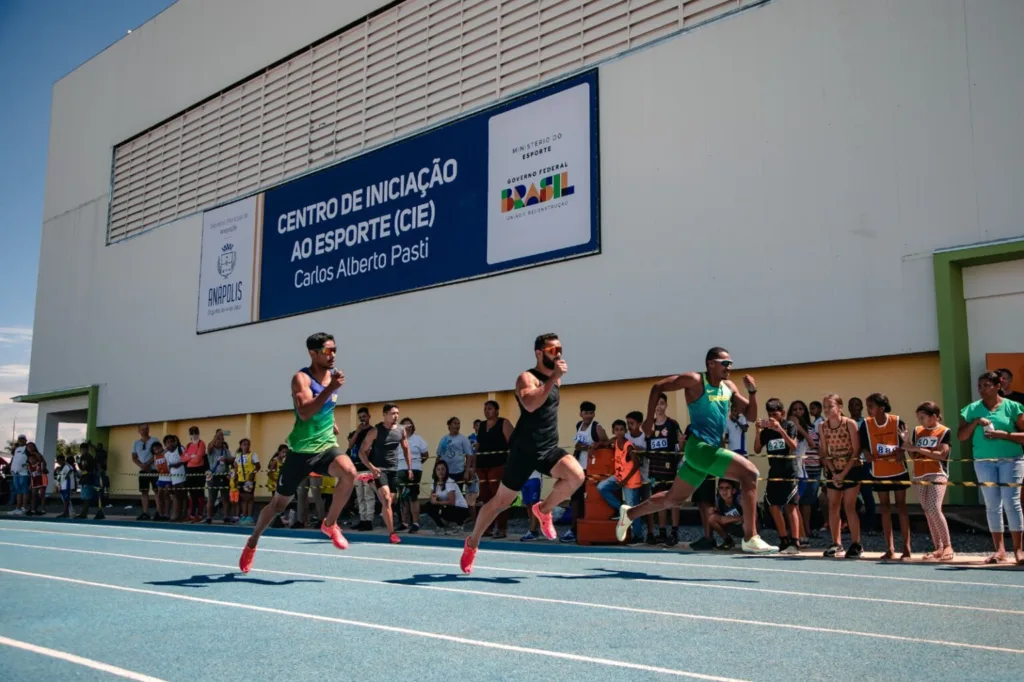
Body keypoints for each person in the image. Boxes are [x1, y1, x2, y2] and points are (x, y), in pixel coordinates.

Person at [616, 347, 778, 554]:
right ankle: (750, 536)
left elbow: (752, 415)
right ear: (711, 364)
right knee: (750, 473)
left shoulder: (728, 386)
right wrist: (648, 420)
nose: (730, 367)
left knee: (673, 499)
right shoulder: (694, 381)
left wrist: (752, 392)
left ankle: (628, 515)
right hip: (699, 447)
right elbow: (658, 387)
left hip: (707, 452)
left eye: (731, 363)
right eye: (725, 363)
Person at [460, 333, 585, 573]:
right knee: (500, 502)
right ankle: (472, 542)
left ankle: (544, 510)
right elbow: (530, 404)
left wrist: (554, 378)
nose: (558, 353)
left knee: (576, 476)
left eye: (560, 348)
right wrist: (553, 379)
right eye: (551, 350)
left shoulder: (555, 379)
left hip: (548, 447)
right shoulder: (526, 378)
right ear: (539, 353)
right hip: (523, 450)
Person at [239, 332, 358, 573]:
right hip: (299, 453)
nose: (333, 354)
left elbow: (327, 406)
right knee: (278, 505)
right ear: (313, 354)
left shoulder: (333, 376)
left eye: (335, 349)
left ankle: (330, 524)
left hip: (324, 446)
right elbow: (304, 412)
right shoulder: (300, 379)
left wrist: (332, 420)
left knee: (349, 473)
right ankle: (252, 543)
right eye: (327, 350)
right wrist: (330, 389)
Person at [958, 370, 1024, 565]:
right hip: (983, 461)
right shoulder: (971, 409)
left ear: (998, 386)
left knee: (1012, 502)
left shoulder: (1013, 406)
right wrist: (976, 422)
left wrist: (1005, 435)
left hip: (1011, 459)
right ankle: (999, 550)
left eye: (986, 385)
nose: (982, 389)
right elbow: (961, 436)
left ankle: (1019, 550)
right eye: (979, 386)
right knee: (992, 504)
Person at [860, 393, 910, 560]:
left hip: (898, 470)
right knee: (885, 508)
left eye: (871, 406)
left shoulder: (897, 421)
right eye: (867, 406)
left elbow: (905, 441)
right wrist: (866, 452)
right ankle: (889, 548)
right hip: (878, 471)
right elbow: (862, 445)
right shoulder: (866, 424)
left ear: (882, 408)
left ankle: (906, 547)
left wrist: (901, 451)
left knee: (901, 506)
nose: (868, 410)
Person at [904, 401, 954, 561]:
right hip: (919, 473)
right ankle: (938, 546)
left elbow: (942, 455)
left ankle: (948, 546)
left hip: (937, 472)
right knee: (927, 510)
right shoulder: (917, 431)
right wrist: (907, 443)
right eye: (918, 417)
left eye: (923, 417)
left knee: (934, 507)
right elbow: (914, 455)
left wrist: (918, 449)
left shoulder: (944, 431)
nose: (920, 421)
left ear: (934, 417)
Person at [357, 403, 413, 544]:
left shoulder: (401, 430)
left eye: (397, 414)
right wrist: (371, 467)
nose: (396, 416)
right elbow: (361, 452)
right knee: (387, 499)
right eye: (393, 413)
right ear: (385, 415)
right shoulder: (375, 431)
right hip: (379, 469)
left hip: (393, 470)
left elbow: (406, 449)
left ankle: (371, 483)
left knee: (390, 501)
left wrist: (409, 468)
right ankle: (392, 533)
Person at [754, 398, 801, 555]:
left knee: (791, 506)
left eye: (775, 414)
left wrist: (780, 429)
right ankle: (783, 539)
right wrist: (758, 430)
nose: (772, 418)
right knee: (773, 506)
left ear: (783, 413)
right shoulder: (767, 431)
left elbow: (793, 446)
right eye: (769, 414)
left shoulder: (790, 425)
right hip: (774, 471)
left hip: (789, 471)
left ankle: (795, 541)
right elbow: (757, 448)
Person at [819, 393, 863, 558]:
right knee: (833, 506)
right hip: (834, 468)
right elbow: (824, 451)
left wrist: (843, 473)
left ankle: (856, 543)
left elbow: (856, 450)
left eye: (830, 406)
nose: (827, 410)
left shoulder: (849, 423)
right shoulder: (822, 426)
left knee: (849, 506)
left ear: (839, 407)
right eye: (825, 406)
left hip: (851, 468)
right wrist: (833, 471)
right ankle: (836, 543)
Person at [643, 393, 685, 546]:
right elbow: (646, 450)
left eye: (661, 403)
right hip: (655, 470)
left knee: (673, 501)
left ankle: (674, 532)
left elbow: (680, 448)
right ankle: (661, 532)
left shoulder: (672, 424)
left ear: (666, 405)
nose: (658, 407)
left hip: (670, 470)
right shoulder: (649, 426)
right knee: (659, 500)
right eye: (655, 404)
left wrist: (681, 445)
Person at [564, 401, 607, 543]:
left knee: (592, 498)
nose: (588, 415)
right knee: (576, 497)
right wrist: (579, 448)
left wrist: (595, 445)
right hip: (579, 467)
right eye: (585, 412)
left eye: (591, 412)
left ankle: (587, 526)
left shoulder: (597, 427)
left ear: (594, 414)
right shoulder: (579, 425)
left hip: (593, 468)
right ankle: (574, 528)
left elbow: (607, 443)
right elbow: (578, 444)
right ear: (580, 414)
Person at [596, 420, 644, 543]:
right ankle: (619, 509)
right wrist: (593, 446)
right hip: (619, 476)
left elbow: (637, 463)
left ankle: (638, 536)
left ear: (625, 431)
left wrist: (625, 480)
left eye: (622, 429)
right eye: (616, 430)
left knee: (632, 508)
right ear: (613, 431)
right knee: (602, 487)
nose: (619, 432)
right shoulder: (615, 441)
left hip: (630, 481)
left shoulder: (628, 446)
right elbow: (605, 443)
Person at [475, 401, 514, 538]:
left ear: (497, 410)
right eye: (485, 408)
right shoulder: (482, 426)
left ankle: (502, 528)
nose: (487, 411)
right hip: (482, 465)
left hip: (498, 464)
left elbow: (513, 443)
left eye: (490, 408)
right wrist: (473, 466)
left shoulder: (504, 423)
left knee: (498, 496)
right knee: (485, 497)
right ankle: (488, 527)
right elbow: (478, 446)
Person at [787, 400, 819, 544]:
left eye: (801, 409)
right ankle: (797, 533)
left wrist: (800, 428)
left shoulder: (809, 428)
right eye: (795, 410)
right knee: (792, 505)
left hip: (800, 472)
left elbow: (812, 444)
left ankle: (802, 534)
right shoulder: (786, 428)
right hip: (787, 472)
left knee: (799, 504)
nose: (798, 412)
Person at [396, 417, 428, 534]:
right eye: (404, 426)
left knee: (413, 496)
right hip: (400, 469)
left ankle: (415, 522)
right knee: (402, 496)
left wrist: (416, 464)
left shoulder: (418, 439)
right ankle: (404, 522)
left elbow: (425, 455)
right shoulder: (398, 439)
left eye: (409, 425)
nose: (407, 428)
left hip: (415, 469)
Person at [424, 460, 470, 532]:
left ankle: (460, 525)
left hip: (461, 509)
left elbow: (452, 502)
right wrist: (433, 500)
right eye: (438, 469)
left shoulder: (449, 481)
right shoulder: (434, 482)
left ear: (446, 471)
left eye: (443, 469)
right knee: (428, 506)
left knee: (445, 511)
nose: (440, 471)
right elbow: (432, 499)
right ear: (435, 471)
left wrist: (437, 503)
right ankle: (440, 526)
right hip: (448, 506)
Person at [131, 424, 161, 521]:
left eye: (146, 429)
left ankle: (159, 512)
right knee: (144, 491)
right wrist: (142, 465)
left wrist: (148, 463)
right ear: (139, 431)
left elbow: (158, 453)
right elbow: (134, 457)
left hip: (153, 469)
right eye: (143, 429)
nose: (145, 431)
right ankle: (145, 512)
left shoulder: (154, 440)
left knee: (157, 491)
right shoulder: (136, 443)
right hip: (143, 470)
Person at [708, 479, 743, 550]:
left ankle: (751, 541)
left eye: (727, 488)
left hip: (748, 527)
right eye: (721, 488)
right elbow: (719, 517)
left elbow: (753, 517)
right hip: (734, 527)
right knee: (712, 518)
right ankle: (728, 541)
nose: (724, 491)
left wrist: (728, 519)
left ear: (733, 491)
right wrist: (714, 511)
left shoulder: (740, 499)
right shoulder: (719, 500)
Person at [183, 426, 208, 522]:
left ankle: (200, 514)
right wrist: (192, 456)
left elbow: (198, 459)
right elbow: (183, 458)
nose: (194, 435)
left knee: (199, 492)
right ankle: (191, 514)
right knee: (191, 493)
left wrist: (189, 456)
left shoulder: (201, 443)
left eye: (195, 432)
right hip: (189, 470)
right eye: (192, 433)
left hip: (199, 470)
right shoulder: (188, 445)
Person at [234, 438, 260, 525]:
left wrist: (253, 474)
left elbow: (258, 467)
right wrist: (235, 478)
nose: (247, 446)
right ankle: (244, 516)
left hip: (249, 480)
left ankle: (250, 517)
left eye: (248, 444)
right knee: (243, 499)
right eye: (244, 444)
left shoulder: (253, 455)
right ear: (241, 446)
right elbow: (236, 468)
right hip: (241, 479)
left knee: (249, 498)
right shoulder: (238, 456)